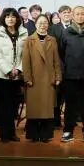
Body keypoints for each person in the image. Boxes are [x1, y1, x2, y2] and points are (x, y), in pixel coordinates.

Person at [22, 14, 61, 142]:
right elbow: (25, 61)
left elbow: (56, 60)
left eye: (45, 23)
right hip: (34, 79)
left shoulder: (52, 40)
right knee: (34, 108)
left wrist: (58, 76)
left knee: (47, 109)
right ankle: (33, 134)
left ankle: (45, 135)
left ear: (48, 25)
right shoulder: (29, 40)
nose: (43, 25)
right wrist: (27, 77)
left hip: (49, 78)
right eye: (40, 23)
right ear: (35, 24)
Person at [0, 7, 28, 143]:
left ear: (17, 19)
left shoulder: (23, 32)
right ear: (3, 19)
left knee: (13, 106)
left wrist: (18, 69)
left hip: (17, 75)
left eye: (13, 16)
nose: (10, 19)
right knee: (3, 106)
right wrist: (8, 70)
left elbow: (26, 54)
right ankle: (4, 134)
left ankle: (12, 133)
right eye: (7, 16)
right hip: (1, 75)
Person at [59, 6, 84, 143]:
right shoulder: (66, 32)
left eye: (82, 14)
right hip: (70, 76)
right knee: (70, 105)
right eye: (77, 14)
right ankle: (68, 131)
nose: (80, 16)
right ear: (72, 16)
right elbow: (61, 53)